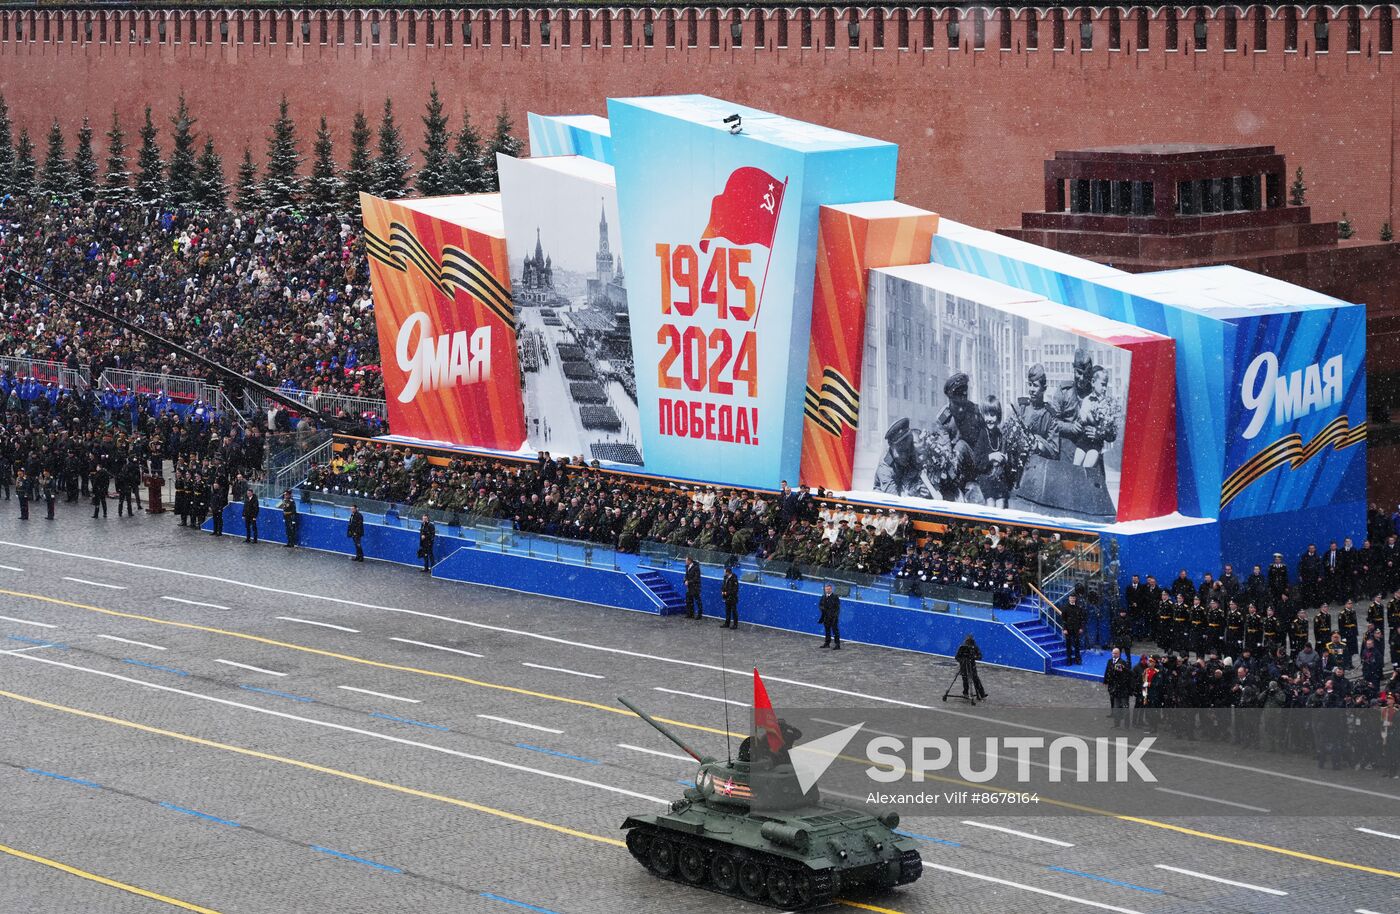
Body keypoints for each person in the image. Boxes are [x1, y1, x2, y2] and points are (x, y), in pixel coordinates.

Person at [1103, 647, 1133, 728]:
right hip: (1115, 688)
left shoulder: (1122, 662)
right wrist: (1105, 681)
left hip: (1123, 689)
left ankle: (1126, 726)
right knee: (1116, 707)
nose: (1113, 655)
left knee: (1125, 707)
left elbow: (1128, 673)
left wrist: (1121, 669)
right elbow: (1107, 671)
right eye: (1113, 653)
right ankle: (1117, 724)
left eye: (1115, 653)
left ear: (1119, 654)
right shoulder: (1110, 661)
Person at [955, 634, 987, 700]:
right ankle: (966, 693)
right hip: (964, 666)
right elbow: (957, 657)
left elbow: (979, 656)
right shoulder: (962, 647)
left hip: (971, 666)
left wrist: (973, 657)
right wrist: (963, 660)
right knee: (966, 680)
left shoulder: (974, 647)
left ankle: (981, 694)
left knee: (976, 680)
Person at [1062, 592, 1085, 665]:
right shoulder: (1065, 607)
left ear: (1075, 599)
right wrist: (1064, 629)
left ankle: (1077, 659)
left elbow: (1081, 618)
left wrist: (1081, 627)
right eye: (1071, 598)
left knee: (1077, 645)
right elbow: (1063, 619)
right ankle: (1069, 660)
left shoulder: (1078, 607)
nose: (1072, 599)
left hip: (1076, 629)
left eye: (1073, 598)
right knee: (1068, 645)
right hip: (1068, 629)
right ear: (1069, 598)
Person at [818, 584, 842, 650]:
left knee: (835, 631)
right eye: (826, 589)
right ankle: (827, 643)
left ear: (831, 589)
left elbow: (837, 608)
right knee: (827, 631)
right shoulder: (823, 597)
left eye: (829, 589)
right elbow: (820, 605)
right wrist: (823, 609)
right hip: (826, 617)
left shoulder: (835, 597)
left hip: (833, 617)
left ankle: (837, 644)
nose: (827, 590)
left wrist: (834, 616)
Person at [684, 556, 703, 620]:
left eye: (686, 560)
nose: (685, 562)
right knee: (689, 600)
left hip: (695, 587)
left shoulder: (696, 568)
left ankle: (699, 614)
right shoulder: (687, 567)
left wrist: (689, 582)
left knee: (698, 601)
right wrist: (685, 580)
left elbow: (696, 578)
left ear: (689, 561)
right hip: (689, 587)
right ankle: (690, 614)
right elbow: (686, 575)